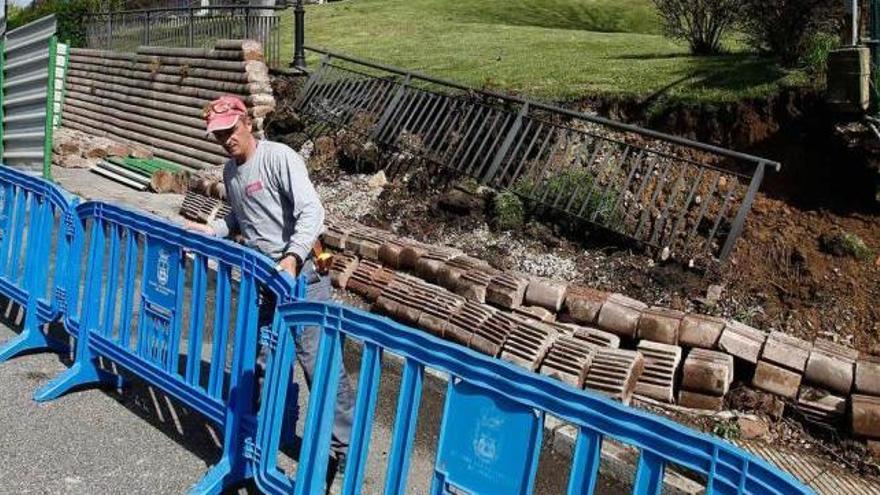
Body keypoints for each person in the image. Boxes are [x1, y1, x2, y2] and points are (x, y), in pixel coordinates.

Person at [186, 95, 354, 483]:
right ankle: (256, 440)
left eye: (230, 130)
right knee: (260, 360)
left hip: (304, 274)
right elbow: (240, 216)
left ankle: (344, 448)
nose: (225, 139)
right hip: (266, 279)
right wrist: (213, 229)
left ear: (246, 122)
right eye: (218, 134)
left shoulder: (279, 157)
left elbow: (313, 211)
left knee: (318, 362)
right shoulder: (231, 172)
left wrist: (293, 257)